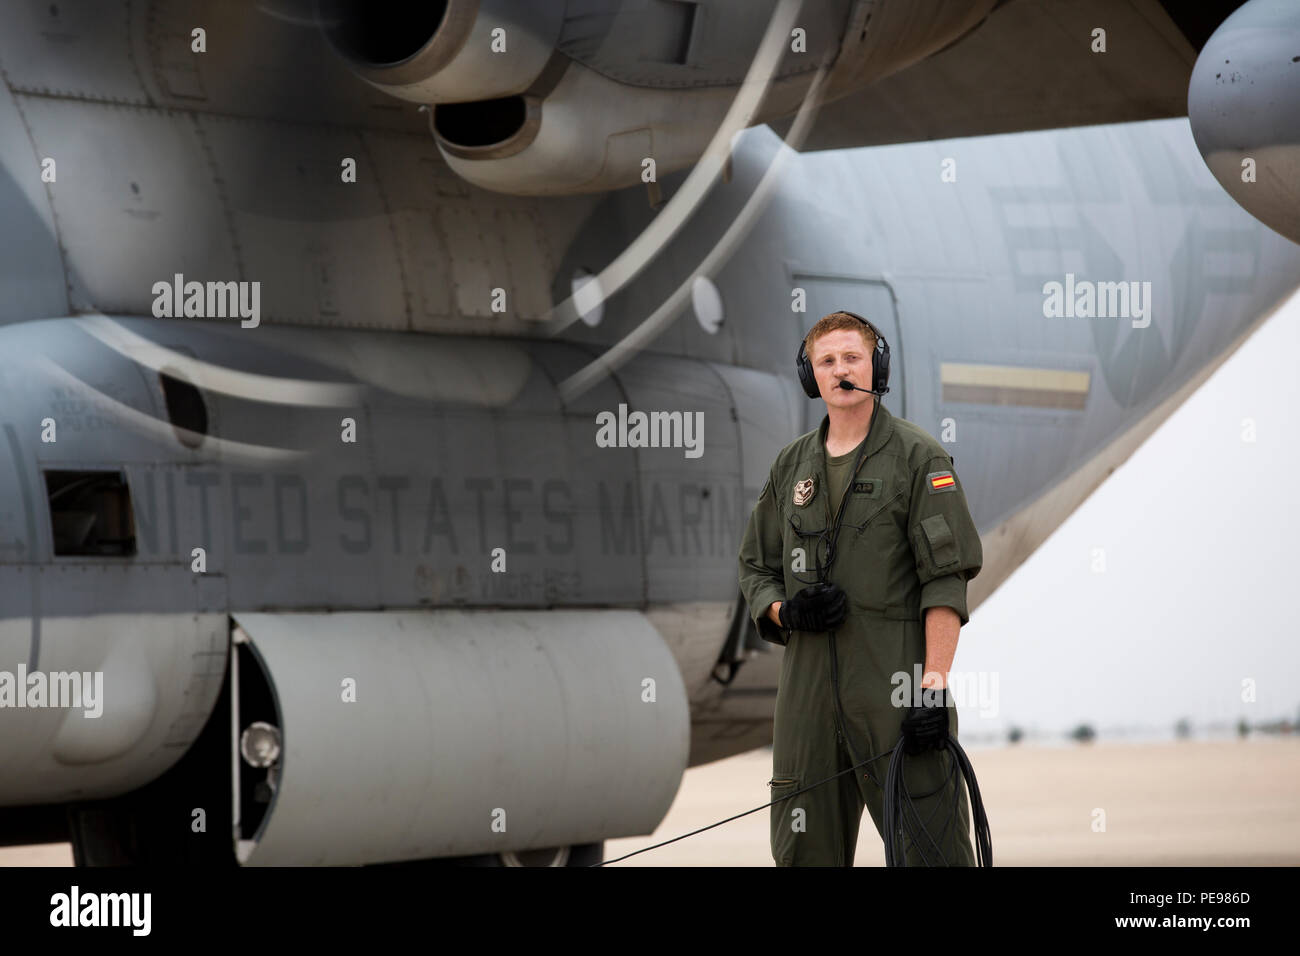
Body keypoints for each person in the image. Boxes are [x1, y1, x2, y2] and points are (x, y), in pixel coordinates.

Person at [737, 310, 983, 866]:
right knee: (803, 852)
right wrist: (785, 612)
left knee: (932, 851)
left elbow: (944, 583)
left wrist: (934, 690)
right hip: (806, 701)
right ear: (811, 376)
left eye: (852, 357)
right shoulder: (789, 467)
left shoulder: (919, 459)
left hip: (895, 692)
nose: (840, 370)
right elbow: (755, 566)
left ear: (877, 365)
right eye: (827, 361)